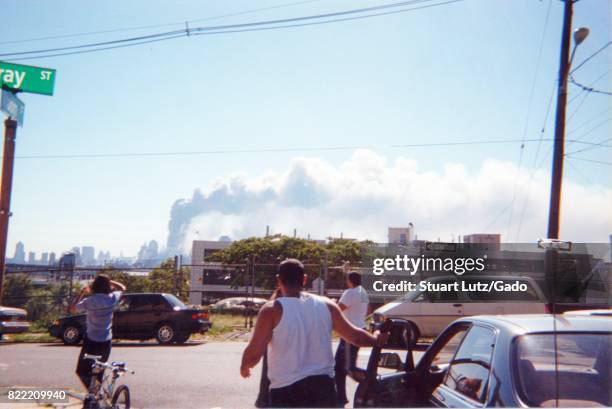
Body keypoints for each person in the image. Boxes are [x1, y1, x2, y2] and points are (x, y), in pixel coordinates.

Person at [240, 259, 387, 408]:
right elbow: (355, 336)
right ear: (304, 279)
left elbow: (254, 353)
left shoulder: (271, 310)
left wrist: (245, 365)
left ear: (278, 280)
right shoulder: (327, 305)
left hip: (287, 391)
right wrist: (376, 338)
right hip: (323, 388)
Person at [69, 274, 126, 389]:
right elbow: (123, 288)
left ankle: (93, 395)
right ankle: (96, 397)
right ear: (107, 286)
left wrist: (82, 293)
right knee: (98, 372)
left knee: (81, 371)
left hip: (91, 341)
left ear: (94, 286)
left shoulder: (90, 301)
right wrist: (110, 281)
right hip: (106, 341)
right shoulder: (112, 298)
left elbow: (73, 309)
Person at [335, 271, 369, 405]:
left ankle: (374, 383)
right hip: (358, 329)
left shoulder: (350, 292)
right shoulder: (363, 292)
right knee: (339, 366)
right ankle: (340, 397)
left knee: (348, 368)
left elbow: (338, 309)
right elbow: (369, 310)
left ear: (350, 280)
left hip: (349, 333)